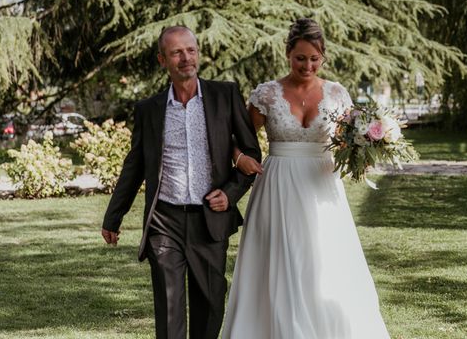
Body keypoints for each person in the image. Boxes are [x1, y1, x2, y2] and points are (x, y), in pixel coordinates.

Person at [222, 18, 390, 338]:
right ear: (287, 53)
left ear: (323, 57)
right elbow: (233, 136)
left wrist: (364, 149)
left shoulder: (337, 93)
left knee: (323, 260)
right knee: (280, 261)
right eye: (300, 58)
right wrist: (240, 158)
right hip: (277, 185)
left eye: (315, 59)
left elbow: (346, 139)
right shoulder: (267, 94)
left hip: (321, 186)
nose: (307, 65)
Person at [101, 26, 261, 339]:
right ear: (163, 60)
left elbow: (251, 152)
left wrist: (230, 194)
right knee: (170, 307)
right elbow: (134, 166)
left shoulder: (225, 95)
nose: (185, 57)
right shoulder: (149, 110)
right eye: (176, 52)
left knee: (210, 303)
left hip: (209, 219)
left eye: (190, 50)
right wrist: (113, 216)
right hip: (164, 220)